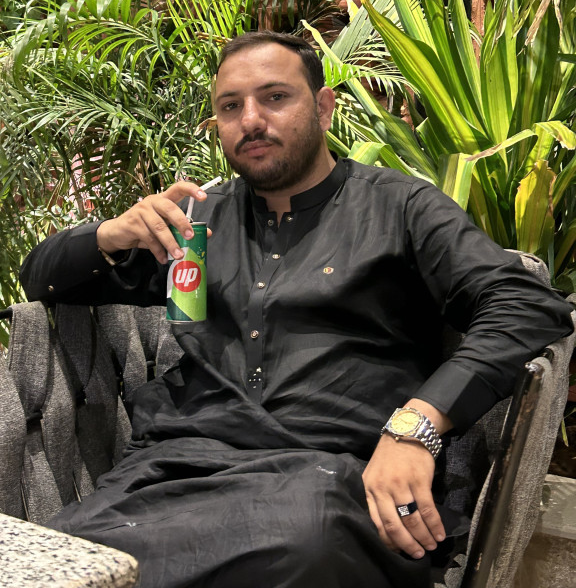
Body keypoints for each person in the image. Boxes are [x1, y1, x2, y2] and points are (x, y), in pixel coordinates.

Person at [21, 31, 573, 588]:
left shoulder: (401, 208)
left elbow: (524, 304)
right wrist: (108, 236)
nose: (251, 120)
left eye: (275, 97)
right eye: (230, 106)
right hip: (175, 469)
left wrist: (417, 425)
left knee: (299, 548)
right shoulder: (195, 222)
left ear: (324, 108)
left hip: (334, 475)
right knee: (58, 561)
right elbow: (41, 279)